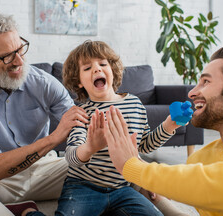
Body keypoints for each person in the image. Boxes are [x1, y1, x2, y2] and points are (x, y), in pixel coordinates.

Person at [0, 10, 89, 216]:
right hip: (0, 183)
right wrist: (54, 138)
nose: (19, 61)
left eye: (20, 49)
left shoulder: (43, 82)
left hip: (47, 172)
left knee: (108, 157)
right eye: (7, 56)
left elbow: (80, 125)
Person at [104, 47, 223, 215]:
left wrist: (135, 168)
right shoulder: (201, 160)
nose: (192, 92)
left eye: (206, 82)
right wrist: (157, 199)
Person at [24, 40, 187, 216]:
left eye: (103, 64)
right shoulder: (80, 113)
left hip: (122, 187)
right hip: (83, 187)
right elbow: (71, 157)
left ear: (112, 70)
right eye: (87, 68)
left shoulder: (134, 104)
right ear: (79, 82)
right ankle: (30, 213)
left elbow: (145, 145)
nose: (97, 69)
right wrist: (90, 148)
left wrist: (169, 125)